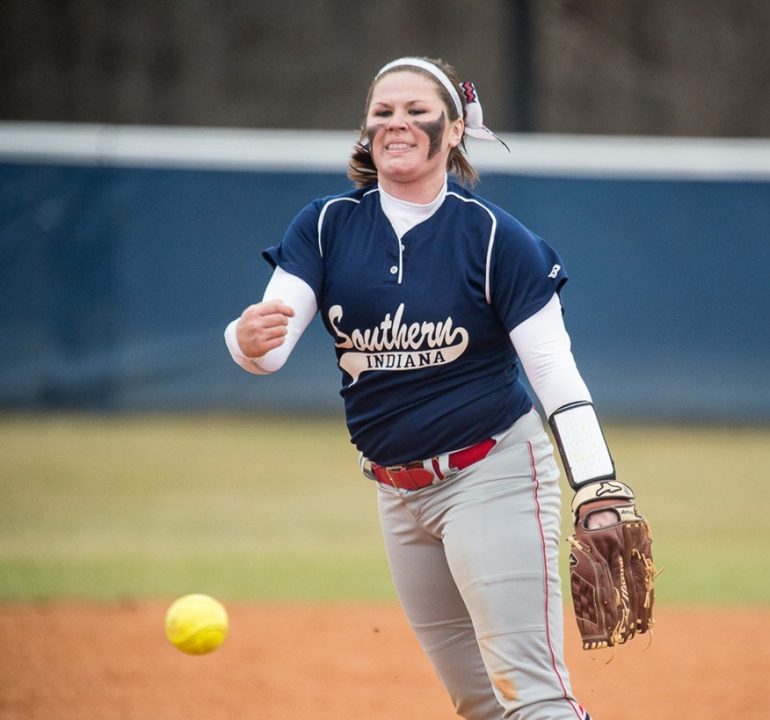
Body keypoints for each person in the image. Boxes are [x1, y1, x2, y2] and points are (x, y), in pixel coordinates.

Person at [224, 56, 638, 720]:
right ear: (365, 131)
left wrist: (596, 484)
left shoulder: (497, 239)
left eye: (418, 112)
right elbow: (266, 349)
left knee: (532, 699)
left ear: (453, 133)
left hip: (493, 476)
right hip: (397, 495)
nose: (398, 123)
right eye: (383, 111)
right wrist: (242, 342)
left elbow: (555, 372)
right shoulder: (327, 226)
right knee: (480, 702)